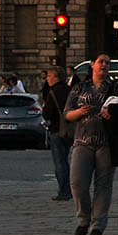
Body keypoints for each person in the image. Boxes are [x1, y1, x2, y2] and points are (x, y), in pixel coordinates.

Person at [65, 54, 118, 235]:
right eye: (101, 62)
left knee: (104, 185)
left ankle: (98, 225)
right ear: (92, 65)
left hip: (107, 142)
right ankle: (83, 218)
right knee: (77, 183)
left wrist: (113, 114)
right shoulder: (79, 87)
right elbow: (67, 113)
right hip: (82, 141)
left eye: (108, 62)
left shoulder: (116, 87)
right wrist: (79, 112)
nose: (105, 65)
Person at [41, 66, 74, 200]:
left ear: (56, 77)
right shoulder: (70, 90)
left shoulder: (53, 92)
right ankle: (71, 188)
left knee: (60, 161)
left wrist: (44, 108)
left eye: (49, 76)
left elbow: (47, 113)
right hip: (70, 128)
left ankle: (64, 191)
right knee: (66, 159)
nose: (47, 78)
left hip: (56, 129)